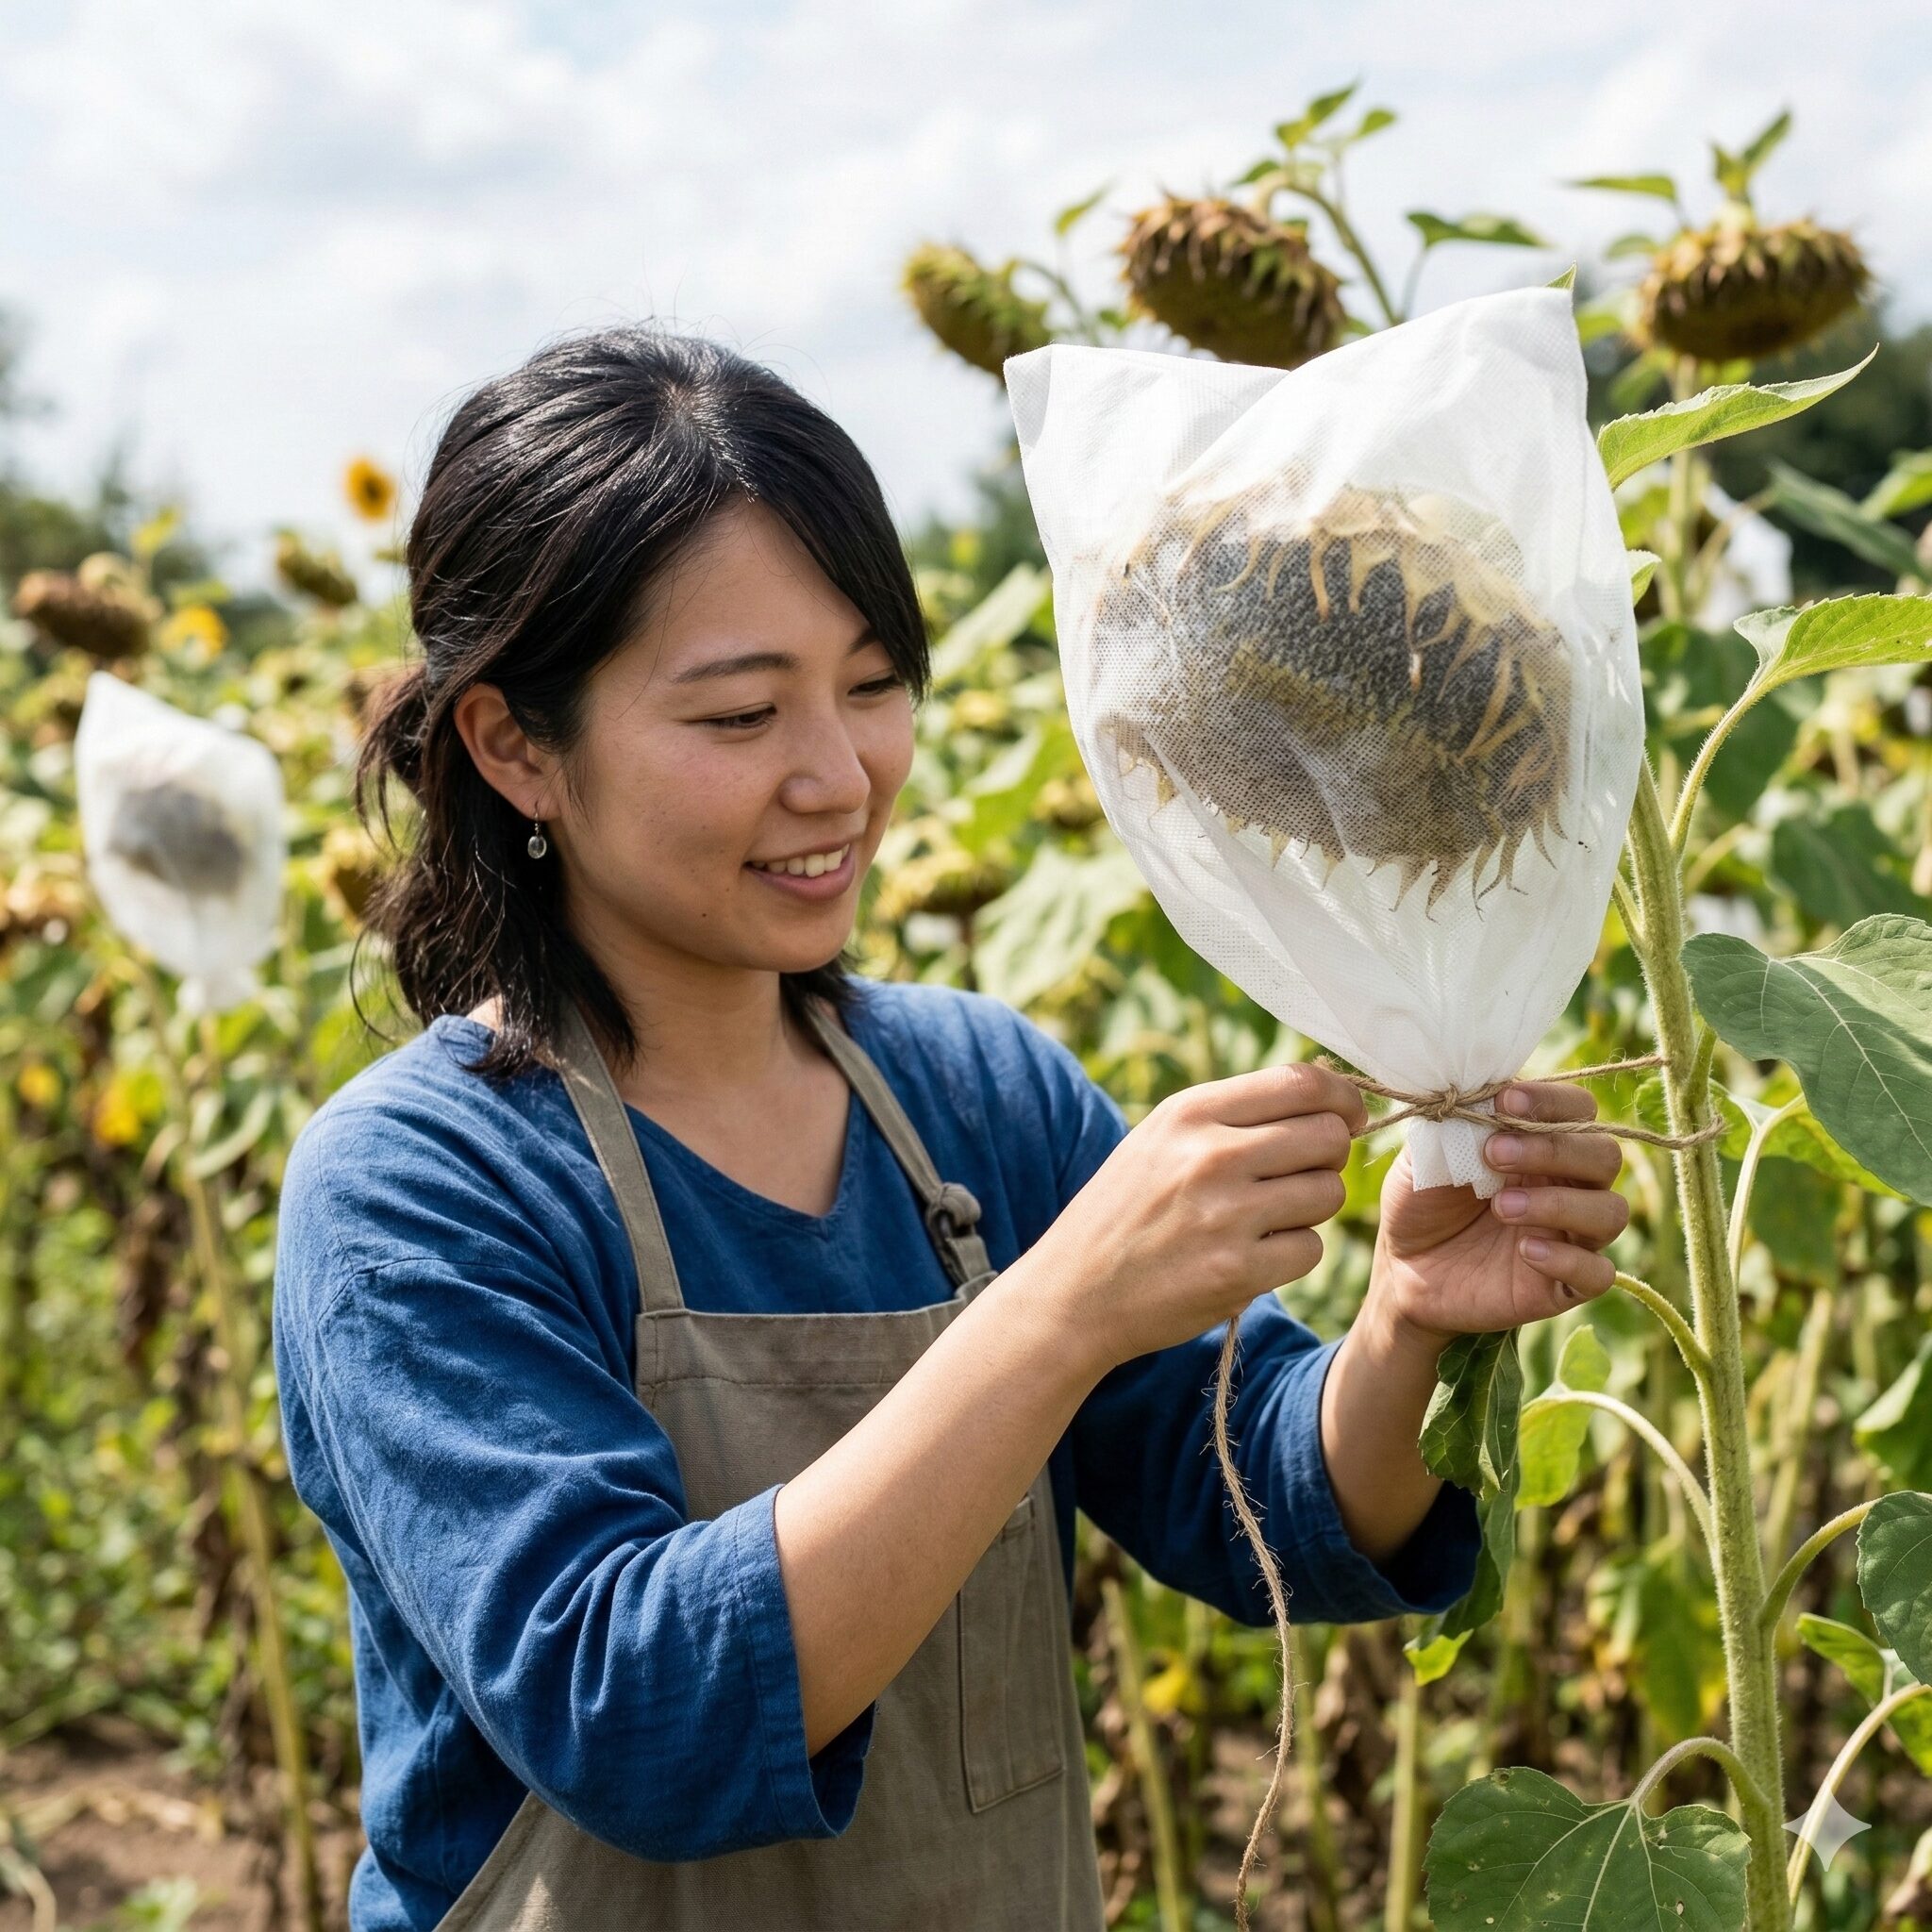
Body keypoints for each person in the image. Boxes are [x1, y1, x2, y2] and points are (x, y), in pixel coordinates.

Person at [271, 324, 1633, 1932]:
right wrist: (1059, 1312)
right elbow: (635, 1714)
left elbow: (1265, 1506)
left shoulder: (976, 1094)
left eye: (872, 688)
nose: (840, 776)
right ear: (514, 746)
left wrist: (1409, 1325)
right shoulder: (418, 1188)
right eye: (738, 717)